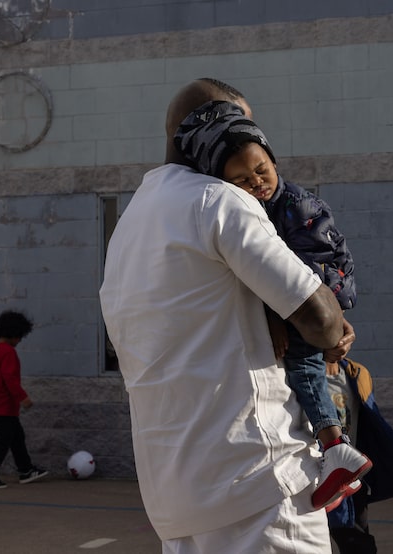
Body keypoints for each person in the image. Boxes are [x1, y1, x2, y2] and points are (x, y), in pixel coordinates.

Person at [99, 77, 356, 553]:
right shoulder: (221, 201)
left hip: (175, 500)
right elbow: (323, 322)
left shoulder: (127, 229)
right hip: (259, 484)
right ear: (214, 130)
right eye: (242, 128)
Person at [173, 100, 372, 511]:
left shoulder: (297, 207)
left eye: (262, 170)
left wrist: (286, 317)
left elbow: (301, 276)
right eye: (243, 179)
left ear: (273, 160)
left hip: (322, 297)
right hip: (306, 304)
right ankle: (329, 457)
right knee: (301, 377)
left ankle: (335, 448)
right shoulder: (250, 210)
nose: (257, 181)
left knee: (302, 367)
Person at [325, 357, 393, 554]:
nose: (343, 343)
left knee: (358, 544)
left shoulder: (357, 374)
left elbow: (376, 422)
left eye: (347, 336)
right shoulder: (303, 373)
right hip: (316, 474)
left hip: (350, 477)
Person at [0, 310, 48, 489]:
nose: (20, 340)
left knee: (17, 437)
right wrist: (23, 397)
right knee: (2, 439)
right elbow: (10, 379)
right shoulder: (8, 352)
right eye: (20, 336)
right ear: (13, 333)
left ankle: (26, 470)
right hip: (5, 403)